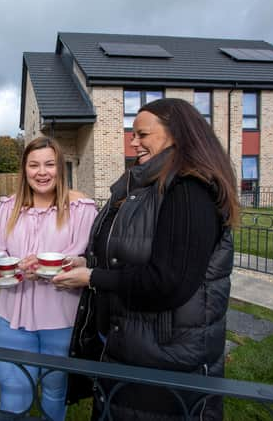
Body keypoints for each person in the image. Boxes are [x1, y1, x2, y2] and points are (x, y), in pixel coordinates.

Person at [53, 98, 239, 421]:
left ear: (176, 135)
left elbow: (169, 281)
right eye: (132, 134)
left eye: (142, 134)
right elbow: (128, 252)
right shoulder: (144, 186)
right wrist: (89, 263)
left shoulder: (189, 190)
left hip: (166, 360)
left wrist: (93, 278)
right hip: (129, 347)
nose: (133, 142)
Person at [0, 136, 97, 421]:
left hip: (61, 316)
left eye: (49, 164)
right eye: (34, 165)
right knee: (13, 391)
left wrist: (70, 263)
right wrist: (9, 265)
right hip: (13, 315)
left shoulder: (81, 208)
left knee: (55, 390)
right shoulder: (7, 207)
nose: (42, 172)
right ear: (24, 170)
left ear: (60, 168)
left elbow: (89, 257)